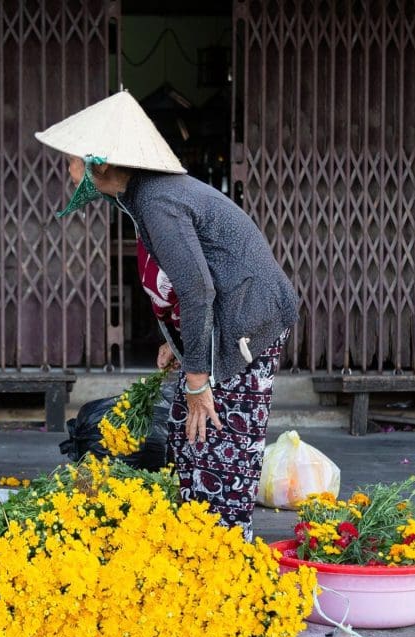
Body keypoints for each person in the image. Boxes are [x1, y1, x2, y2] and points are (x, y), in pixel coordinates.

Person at [35, 91, 299, 539]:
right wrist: (177, 341)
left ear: (99, 163)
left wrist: (198, 379)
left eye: (73, 160)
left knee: (221, 443)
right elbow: (188, 280)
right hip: (225, 320)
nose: (68, 170)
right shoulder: (142, 196)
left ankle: (226, 552)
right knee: (185, 431)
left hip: (249, 324)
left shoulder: (157, 200)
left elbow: (197, 289)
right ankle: (197, 541)